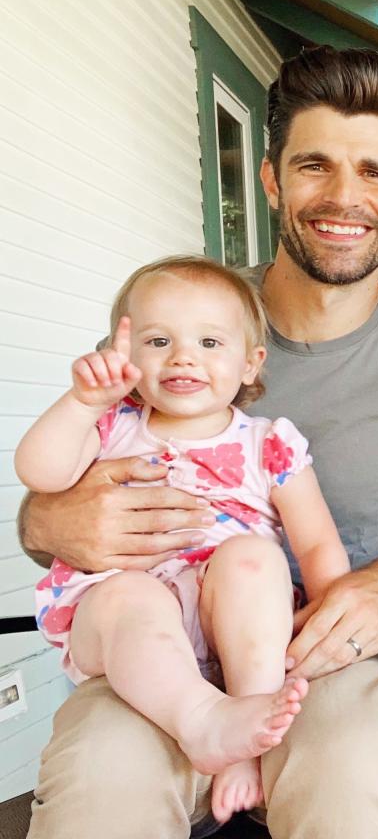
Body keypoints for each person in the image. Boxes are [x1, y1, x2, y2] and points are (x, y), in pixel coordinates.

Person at [18, 46, 378, 839]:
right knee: (98, 789)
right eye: (315, 165)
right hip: (154, 651)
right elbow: (62, 473)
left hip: (320, 658)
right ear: (272, 178)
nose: (344, 197)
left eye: (374, 174)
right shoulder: (187, 322)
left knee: (351, 788)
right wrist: (47, 522)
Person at [16, 256, 351, 824]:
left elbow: (316, 544)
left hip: (235, 627)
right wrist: (82, 403)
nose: (183, 356)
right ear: (125, 355)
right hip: (128, 624)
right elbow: (39, 472)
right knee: (131, 595)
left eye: (210, 341)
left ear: (251, 364)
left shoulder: (269, 445)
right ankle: (201, 722)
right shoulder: (111, 426)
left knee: (254, 558)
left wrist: (332, 623)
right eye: (158, 339)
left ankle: (244, 729)